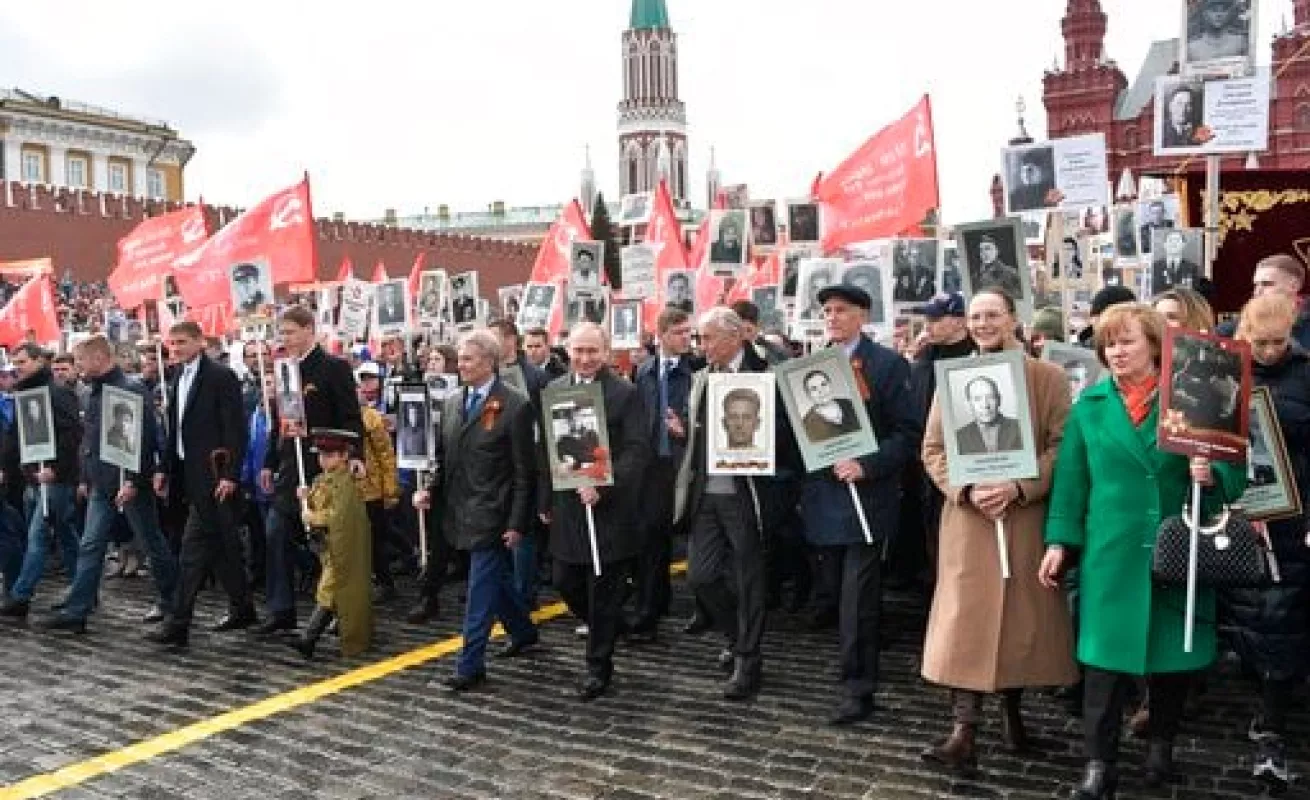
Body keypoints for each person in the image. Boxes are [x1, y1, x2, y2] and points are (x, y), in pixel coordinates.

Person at [1041, 303, 1247, 798]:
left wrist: (1210, 474)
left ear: (1155, 345)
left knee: (1171, 660)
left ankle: (1161, 750)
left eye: (1127, 341)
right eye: (1108, 343)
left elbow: (1233, 471)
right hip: (1110, 554)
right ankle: (1099, 765)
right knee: (1103, 664)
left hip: (1177, 550)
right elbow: (1071, 483)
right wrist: (1059, 541)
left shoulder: (1192, 400)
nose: (1116, 352)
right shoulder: (1089, 407)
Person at [920, 288, 1078, 773]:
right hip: (969, 522)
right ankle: (963, 731)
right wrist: (965, 490)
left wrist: (1019, 487)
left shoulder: (1047, 377)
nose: (983, 324)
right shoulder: (953, 380)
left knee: (1017, 621)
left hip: (1023, 519)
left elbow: (1063, 447)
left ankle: (1013, 714)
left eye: (992, 314)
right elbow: (933, 449)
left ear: (1013, 318)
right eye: (975, 316)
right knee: (964, 621)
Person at [800, 283, 921, 723]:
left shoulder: (887, 365)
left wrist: (866, 465)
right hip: (824, 499)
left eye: (841, 310)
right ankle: (854, 664)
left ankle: (858, 687)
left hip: (868, 500)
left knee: (858, 598)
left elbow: (908, 433)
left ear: (863, 316)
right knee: (836, 593)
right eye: (827, 311)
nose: (831, 317)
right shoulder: (810, 368)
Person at [675, 308, 798, 701]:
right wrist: (685, 431)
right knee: (701, 576)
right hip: (707, 492)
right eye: (700, 339)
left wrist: (760, 442)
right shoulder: (702, 377)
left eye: (708, 338)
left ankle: (748, 658)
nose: (702, 346)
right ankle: (735, 635)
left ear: (734, 337)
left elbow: (788, 433)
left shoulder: (768, 373)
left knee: (748, 579)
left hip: (748, 493)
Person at [417, 329, 539, 689]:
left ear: (489, 361)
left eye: (468, 358)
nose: (461, 365)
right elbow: (445, 458)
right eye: (460, 358)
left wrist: (517, 522)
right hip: (458, 510)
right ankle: (523, 631)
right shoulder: (453, 402)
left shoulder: (515, 404)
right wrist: (430, 491)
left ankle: (469, 666)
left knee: (480, 591)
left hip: (494, 514)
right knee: (495, 581)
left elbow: (524, 472)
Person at [1225, 293, 1309, 791]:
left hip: (1292, 516)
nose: (1271, 351)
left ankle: (1274, 724)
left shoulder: (1304, 375)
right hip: (1237, 510)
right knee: (1245, 615)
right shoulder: (1224, 370)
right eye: (1261, 343)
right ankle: (1260, 699)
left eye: (1279, 342)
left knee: (1283, 620)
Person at [541, 323, 651, 701]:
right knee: (565, 581)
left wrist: (604, 484)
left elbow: (637, 451)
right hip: (569, 507)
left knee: (603, 589)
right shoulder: (555, 389)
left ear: (605, 352)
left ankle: (598, 666)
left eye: (592, 351)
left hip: (610, 510)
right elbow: (546, 451)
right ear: (567, 351)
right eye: (578, 351)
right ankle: (613, 623)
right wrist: (545, 500)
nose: (585, 358)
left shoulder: (625, 393)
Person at [145, 321, 254, 647]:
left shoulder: (221, 377)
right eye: (172, 343)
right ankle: (243, 607)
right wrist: (164, 468)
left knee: (192, 550)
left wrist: (231, 474)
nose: (175, 348)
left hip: (214, 474)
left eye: (181, 342)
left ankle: (178, 622)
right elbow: (175, 429)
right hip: (186, 474)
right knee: (220, 546)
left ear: (199, 342)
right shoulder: (178, 377)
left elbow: (235, 429)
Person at [257, 307, 364, 634]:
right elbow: (282, 422)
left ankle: (340, 607)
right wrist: (269, 461)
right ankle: (281, 609)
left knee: (331, 543)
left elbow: (351, 417)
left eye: (290, 332)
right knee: (276, 532)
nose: (285, 339)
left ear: (309, 329)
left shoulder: (334, 368)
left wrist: (354, 454)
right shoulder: (285, 370)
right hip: (292, 467)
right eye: (282, 333)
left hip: (326, 466)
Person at [0, 344, 83, 620]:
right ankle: (83, 588)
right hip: (33, 477)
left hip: (55, 479)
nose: (17, 368)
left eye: (22, 362)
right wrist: (7, 467)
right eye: (15, 363)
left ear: (38, 361)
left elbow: (72, 436)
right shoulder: (23, 393)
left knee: (38, 536)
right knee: (66, 535)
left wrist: (57, 470)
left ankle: (21, 595)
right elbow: (15, 437)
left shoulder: (58, 392)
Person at [630, 308, 695, 642]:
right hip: (652, 466)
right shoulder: (643, 371)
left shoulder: (694, 371)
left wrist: (685, 430)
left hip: (684, 463)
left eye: (688, 332)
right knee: (650, 538)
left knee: (681, 536)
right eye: (680, 332)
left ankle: (671, 603)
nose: (687, 338)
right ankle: (650, 609)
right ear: (663, 335)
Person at [287, 428, 372, 659]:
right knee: (334, 590)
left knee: (329, 589)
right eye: (321, 455)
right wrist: (306, 498)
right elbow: (319, 503)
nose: (323, 460)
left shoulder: (346, 482)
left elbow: (338, 515)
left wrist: (312, 517)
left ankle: (309, 638)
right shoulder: (322, 479)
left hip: (342, 547)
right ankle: (334, 625)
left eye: (330, 455)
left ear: (344, 456)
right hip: (328, 546)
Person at [1216, 253, 1310, 347]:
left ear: (1293, 286)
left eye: (1267, 284)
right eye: (1256, 285)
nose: (1257, 292)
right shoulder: (1229, 330)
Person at [953, 375, 1024, 455]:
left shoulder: (1020, 428)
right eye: (977, 399)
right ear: (968, 405)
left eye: (990, 397)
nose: (985, 405)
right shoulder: (958, 438)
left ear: (999, 400)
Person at [798, 369, 861, 443]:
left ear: (830, 385)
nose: (821, 391)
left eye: (823, 384)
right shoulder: (806, 426)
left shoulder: (850, 404)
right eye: (814, 389)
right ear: (808, 394)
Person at [972, 234, 1022, 300]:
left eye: (987, 249)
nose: (984, 253)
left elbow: (1019, 297)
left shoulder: (1010, 273)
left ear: (997, 251)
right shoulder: (976, 276)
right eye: (981, 250)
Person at [1008, 146, 1056, 212]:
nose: (1025, 175)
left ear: (1042, 170)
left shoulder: (1053, 191)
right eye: (1022, 171)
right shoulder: (1015, 197)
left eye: (1030, 170)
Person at [1162, 84, 1203, 149]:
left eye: (1188, 104)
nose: (1183, 109)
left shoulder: (1200, 131)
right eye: (1179, 103)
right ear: (1170, 106)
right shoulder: (1162, 130)